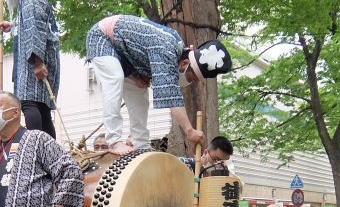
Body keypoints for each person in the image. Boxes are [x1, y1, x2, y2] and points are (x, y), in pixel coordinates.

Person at [85, 15, 231, 154]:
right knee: (114, 78)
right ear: (185, 63)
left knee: (140, 96)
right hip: (103, 38)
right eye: (190, 77)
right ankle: (114, 140)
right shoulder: (167, 49)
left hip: (127, 57)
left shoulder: (173, 50)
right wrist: (189, 131)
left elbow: (141, 53)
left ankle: (140, 144)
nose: (188, 81)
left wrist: (139, 74)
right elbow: (172, 97)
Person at [0, 0, 60, 138]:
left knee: (28, 102)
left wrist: (37, 61)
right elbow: (33, 24)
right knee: (41, 107)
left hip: (35, 60)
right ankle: (46, 148)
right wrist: (13, 25)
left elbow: (35, 29)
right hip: (37, 60)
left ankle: (35, 145)